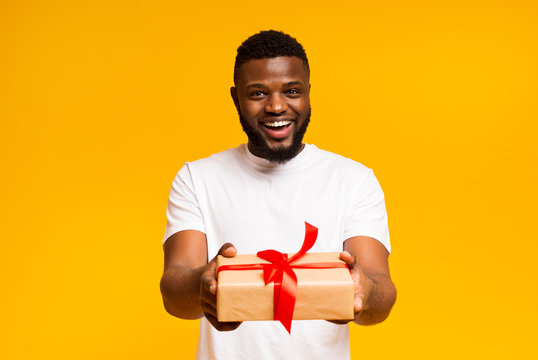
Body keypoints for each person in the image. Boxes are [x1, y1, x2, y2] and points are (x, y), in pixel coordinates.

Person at [160, 30, 396, 360]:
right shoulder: (197, 178)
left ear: (308, 94)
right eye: (258, 93)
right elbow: (174, 292)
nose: (275, 106)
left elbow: (380, 291)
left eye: (292, 91)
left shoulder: (354, 180)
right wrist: (203, 284)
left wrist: (365, 292)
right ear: (235, 98)